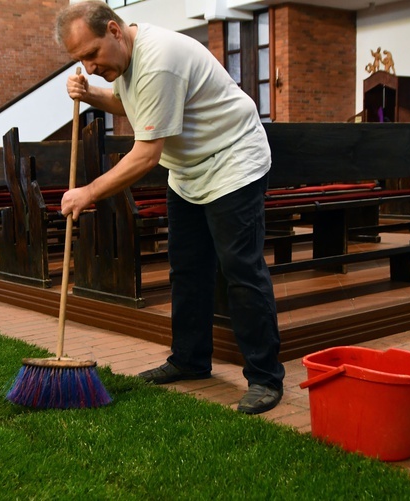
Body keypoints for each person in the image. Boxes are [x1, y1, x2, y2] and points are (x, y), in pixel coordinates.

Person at [55, 0, 285, 414]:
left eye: (91, 55)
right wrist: (94, 94)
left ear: (114, 30)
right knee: (187, 267)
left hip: (233, 160)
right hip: (189, 171)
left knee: (240, 269)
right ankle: (190, 360)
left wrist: (88, 192)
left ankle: (265, 378)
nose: (88, 66)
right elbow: (132, 104)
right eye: (80, 61)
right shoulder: (127, 62)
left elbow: (145, 155)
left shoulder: (159, 59)